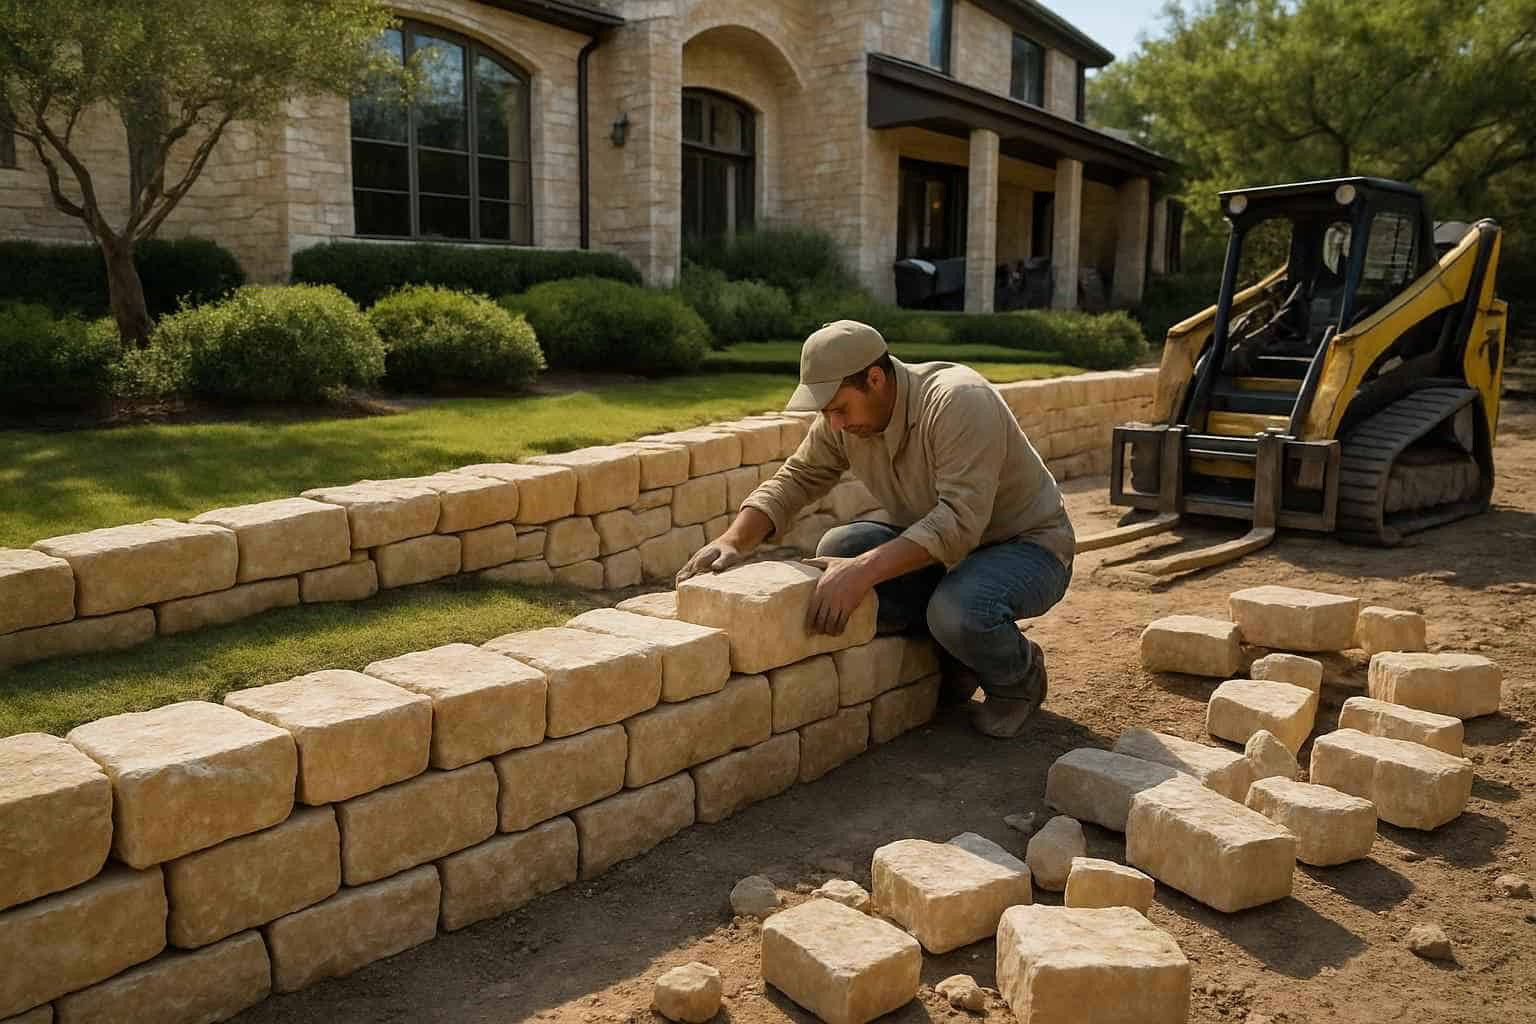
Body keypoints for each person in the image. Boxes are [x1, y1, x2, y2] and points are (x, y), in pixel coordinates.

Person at [675, 320, 1075, 738]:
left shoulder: (957, 401)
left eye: (840, 409)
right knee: (841, 547)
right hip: (954, 552)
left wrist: (863, 571)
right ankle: (956, 655)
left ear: (876, 378)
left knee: (957, 609)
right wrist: (733, 540)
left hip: (1029, 548)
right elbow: (797, 477)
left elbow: (959, 521)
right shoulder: (844, 419)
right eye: (826, 412)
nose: (835, 424)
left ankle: (1019, 678)